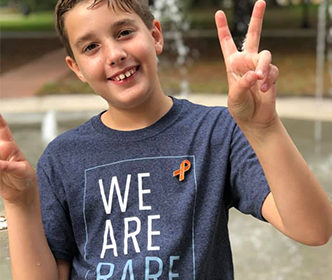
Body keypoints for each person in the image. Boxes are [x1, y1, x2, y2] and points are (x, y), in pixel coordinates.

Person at [0, 0, 331, 279]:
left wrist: (264, 127)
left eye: (124, 32)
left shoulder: (217, 131)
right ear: (77, 68)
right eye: (91, 47)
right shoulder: (61, 159)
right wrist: (19, 203)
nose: (114, 54)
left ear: (155, 35)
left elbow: (314, 229)